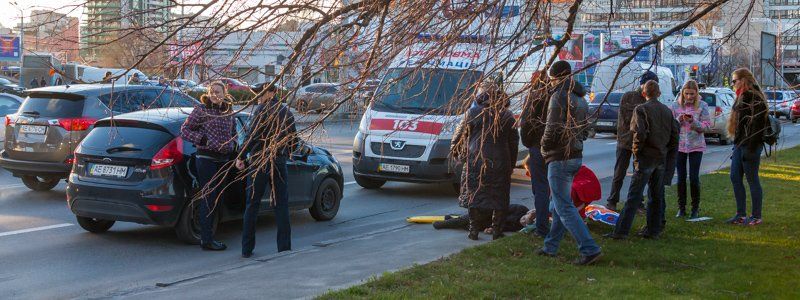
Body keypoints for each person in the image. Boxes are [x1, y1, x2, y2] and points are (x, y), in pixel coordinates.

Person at [537, 61, 601, 266]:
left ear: (556, 77)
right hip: (575, 155)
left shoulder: (558, 97)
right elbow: (586, 129)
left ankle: (589, 248)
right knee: (559, 204)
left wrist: (544, 148)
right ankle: (551, 246)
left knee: (563, 206)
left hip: (559, 156)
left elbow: (551, 127)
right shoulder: (580, 98)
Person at [607, 80, 679, 240]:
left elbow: (639, 134)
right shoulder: (667, 111)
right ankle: (653, 230)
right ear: (659, 94)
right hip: (660, 157)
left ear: (644, 93)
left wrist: (637, 152)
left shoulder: (641, 109)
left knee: (634, 196)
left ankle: (621, 231)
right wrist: (665, 150)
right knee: (656, 195)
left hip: (646, 157)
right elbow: (675, 136)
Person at [451, 79, 519, 241]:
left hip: (476, 159)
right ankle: (496, 230)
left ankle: (473, 230)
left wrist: (456, 153)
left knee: (474, 194)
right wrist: (511, 165)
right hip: (500, 161)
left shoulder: (473, 113)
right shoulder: (507, 115)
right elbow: (513, 143)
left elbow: (459, 136)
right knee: (499, 196)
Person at [235, 83, 298, 257]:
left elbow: (252, 136)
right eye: (257, 93)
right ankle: (284, 248)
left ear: (272, 92)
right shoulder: (286, 112)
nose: (259, 96)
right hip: (278, 162)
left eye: (261, 92)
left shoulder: (261, 110)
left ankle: (247, 249)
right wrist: (286, 153)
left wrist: (241, 156)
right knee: (281, 205)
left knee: (253, 204)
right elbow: (294, 141)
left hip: (258, 161)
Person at [180, 81, 236, 251]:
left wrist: (233, 144)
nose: (214, 94)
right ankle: (207, 240)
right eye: (212, 91)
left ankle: (210, 237)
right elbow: (185, 130)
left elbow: (234, 132)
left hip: (224, 159)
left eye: (218, 92)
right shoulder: (201, 109)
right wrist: (202, 140)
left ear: (224, 93)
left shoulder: (229, 110)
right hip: (206, 158)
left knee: (217, 198)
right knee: (208, 197)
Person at [606, 71, 658, 211]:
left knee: (638, 175)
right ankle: (612, 200)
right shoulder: (629, 96)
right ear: (642, 84)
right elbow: (628, 120)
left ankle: (638, 202)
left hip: (641, 143)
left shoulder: (651, 100)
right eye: (648, 84)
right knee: (619, 173)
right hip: (626, 141)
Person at [726, 68, 769, 226]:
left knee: (752, 179)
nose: (733, 83)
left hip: (751, 145)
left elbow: (757, 127)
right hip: (740, 144)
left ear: (743, 80)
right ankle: (741, 214)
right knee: (735, 177)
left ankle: (756, 216)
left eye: (735, 80)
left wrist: (750, 149)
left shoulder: (754, 98)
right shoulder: (742, 96)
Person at [670, 80, 711, 218]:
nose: (689, 97)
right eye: (686, 93)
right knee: (681, 178)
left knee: (694, 178)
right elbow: (670, 126)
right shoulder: (675, 106)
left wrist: (694, 122)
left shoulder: (703, 105)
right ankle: (681, 208)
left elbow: (707, 126)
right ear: (682, 93)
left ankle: (695, 208)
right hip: (680, 146)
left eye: (692, 94)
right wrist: (679, 120)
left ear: (696, 93)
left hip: (696, 145)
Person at [519, 71, 551, 238]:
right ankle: (554, 224)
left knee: (540, 189)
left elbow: (525, 123)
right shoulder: (559, 95)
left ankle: (542, 227)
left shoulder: (535, 96)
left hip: (538, 146)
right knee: (556, 189)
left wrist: (529, 143)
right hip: (555, 148)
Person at [432, 204, 529, 233]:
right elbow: (501, 209)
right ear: (529, 213)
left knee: (468, 227)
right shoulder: (520, 209)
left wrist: (493, 228)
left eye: (525, 223)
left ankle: (450, 219)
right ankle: (441, 225)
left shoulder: (517, 226)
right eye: (525, 218)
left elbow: (505, 227)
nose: (523, 221)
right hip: (487, 213)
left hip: (490, 222)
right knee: (465, 220)